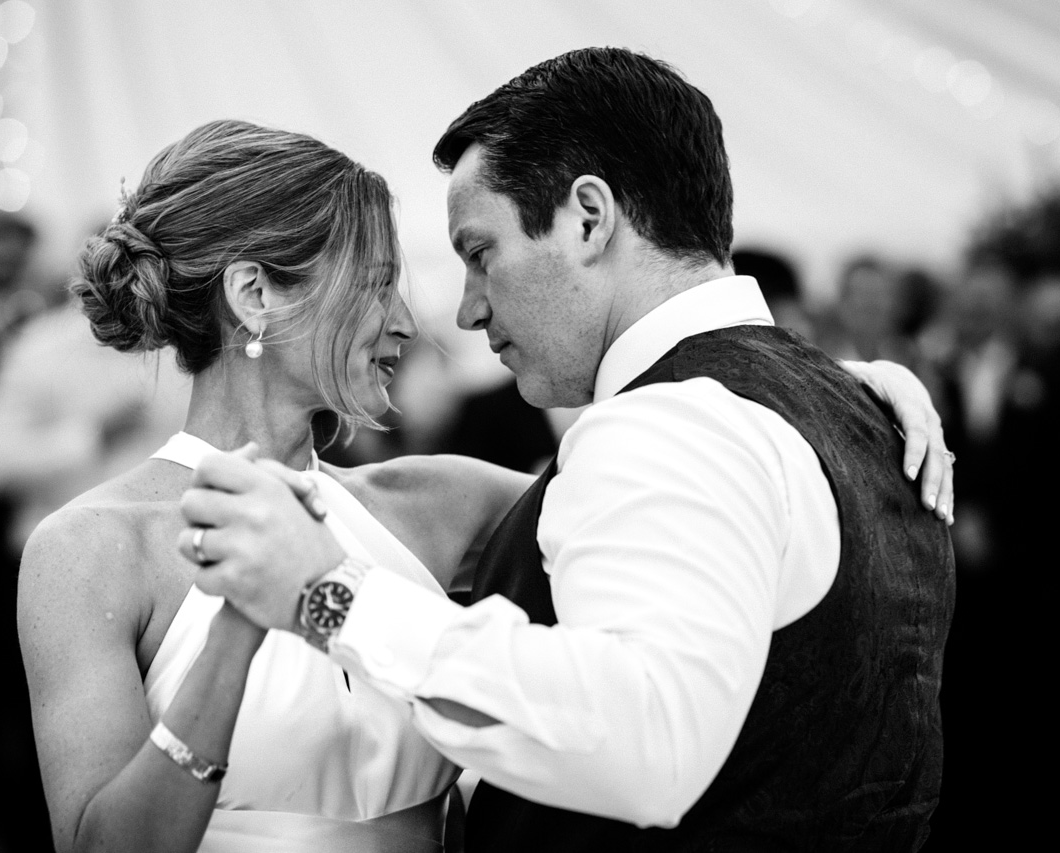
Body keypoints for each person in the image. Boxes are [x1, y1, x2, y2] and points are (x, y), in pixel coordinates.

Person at [178, 47, 956, 852]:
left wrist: (328, 592)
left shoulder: (670, 423)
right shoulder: (842, 412)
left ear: (589, 217)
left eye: (481, 253)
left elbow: (643, 741)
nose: (471, 311)